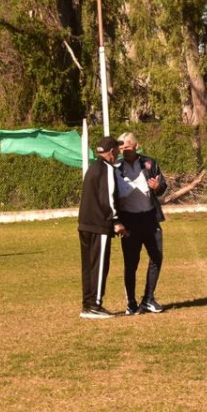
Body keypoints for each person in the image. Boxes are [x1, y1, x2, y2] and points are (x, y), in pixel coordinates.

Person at [116, 132, 168, 315]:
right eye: (121, 148)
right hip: (129, 221)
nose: (123, 150)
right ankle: (131, 302)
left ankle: (149, 299)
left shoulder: (149, 163)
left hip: (150, 218)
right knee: (131, 263)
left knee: (157, 257)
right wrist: (118, 221)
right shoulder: (117, 167)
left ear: (136, 146)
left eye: (127, 147)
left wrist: (158, 187)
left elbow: (162, 187)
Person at [78, 136, 127, 319]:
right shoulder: (106, 169)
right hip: (99, 225)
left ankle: (87, 304)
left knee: (88, 267)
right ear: (112, 151)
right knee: (99, 266)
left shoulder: (92, 168)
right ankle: (94, 306)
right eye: (117, 150)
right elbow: (108, 197)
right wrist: (116, 221)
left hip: (85, 224)